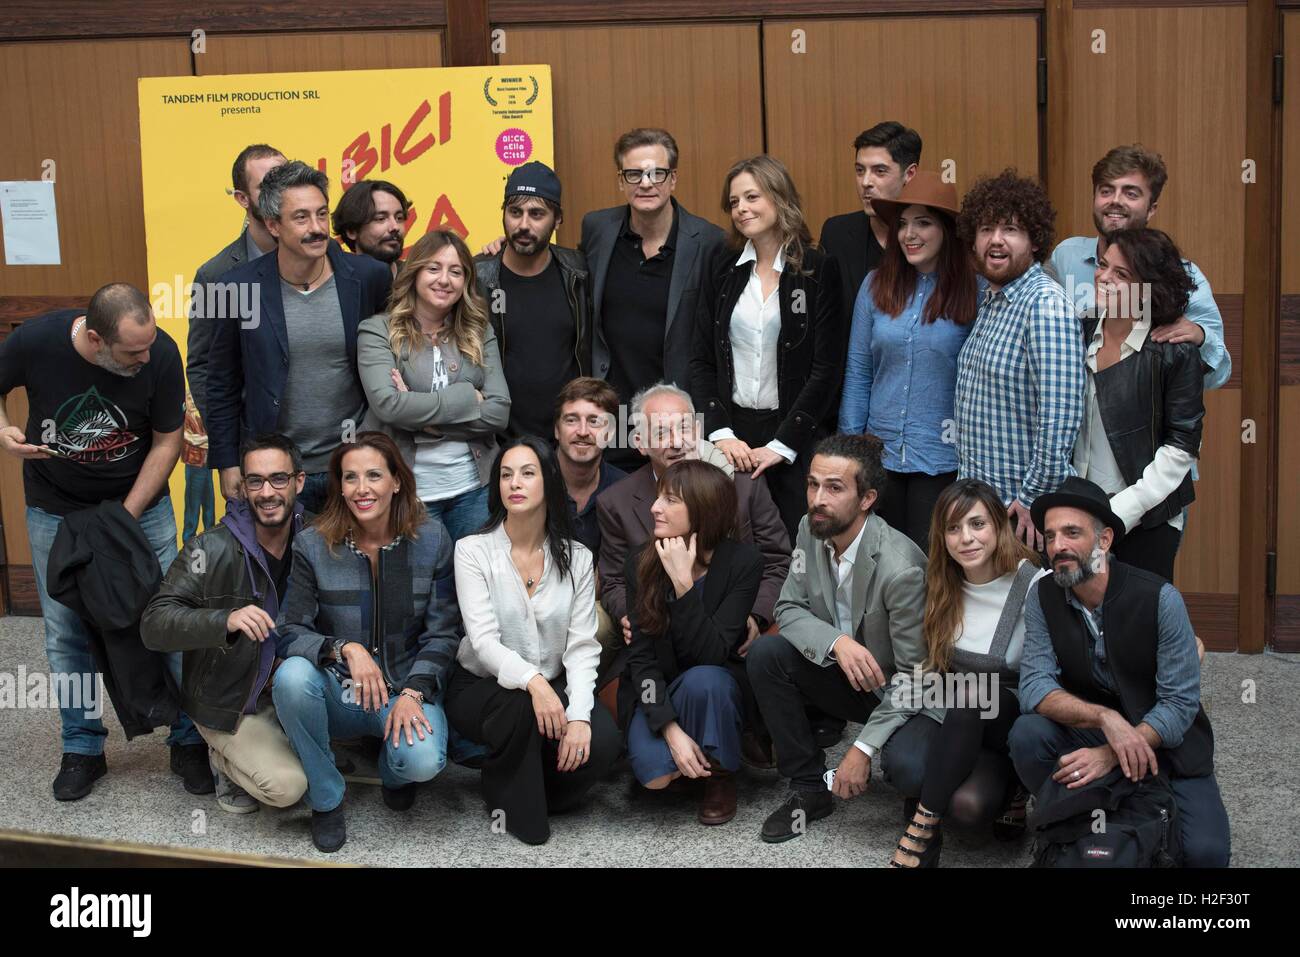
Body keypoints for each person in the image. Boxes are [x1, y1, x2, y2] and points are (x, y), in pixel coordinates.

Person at [0, 283, 209, 800]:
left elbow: (167, 441)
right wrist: (2, 428)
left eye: (149, 345)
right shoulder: (36, 341)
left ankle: (188, 739)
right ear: (95, 339)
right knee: (66, 632)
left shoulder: (159, 350)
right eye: (132, 352)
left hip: (141, 507)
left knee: (167, 617)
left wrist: (123, 518)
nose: (146, 356)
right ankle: (82, 747)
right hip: (56, 510)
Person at [1012, 477, 1230, 867]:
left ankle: (1119, 798)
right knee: (1028, 735)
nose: (1058, 545)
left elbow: (1180, 704)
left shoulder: (1160, 598)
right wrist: (1104, 719)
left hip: (1169, 748)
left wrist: (1111, 754)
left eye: (1072, 533)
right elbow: (1033, 686)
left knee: (1206, 856)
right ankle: (1078, 817)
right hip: (1096, 729)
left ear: (1105, 541)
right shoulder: (1044, 596)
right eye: (1050, 535)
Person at [747, 433, 940, 843]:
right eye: (813, 484)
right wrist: (839, 642)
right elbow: (788, 608)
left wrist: (862, 749)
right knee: (768, 654)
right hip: (850, 674)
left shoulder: (900, 569)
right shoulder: (809, 529)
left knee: (907, 768)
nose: (818, 498)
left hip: (903, 691)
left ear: (867, 498)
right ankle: (808, 788)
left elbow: (917, 678)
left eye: (834, 488)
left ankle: (917, 786)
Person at [272, 432, 460, 853]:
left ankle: (392, 770)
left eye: (374, 475)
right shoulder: (313, 545)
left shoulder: (432, 540)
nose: (362, 489)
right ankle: (326, 798)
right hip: (338, 692)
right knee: (290, 677)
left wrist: (414, 691)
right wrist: (345, 649)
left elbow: (444, 631)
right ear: (339, 485)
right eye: (350, 477)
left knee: (422, 761)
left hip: (403, 689)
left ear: (397, 481)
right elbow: (289, 631)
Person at [446, 436, 620, 845]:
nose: (514, 483)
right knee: (523, 707)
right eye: (505, 474)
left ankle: (525, 782)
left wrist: (577, 715)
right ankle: (516, 807)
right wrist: (536, 683)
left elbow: (581, 647)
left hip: (549, 685)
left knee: (604, 738)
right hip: (480, 686)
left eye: (527, 473)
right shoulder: (472, 551)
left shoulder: (577, 556)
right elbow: (484, 642)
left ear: (549, 483)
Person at [206, 160, 393, 513]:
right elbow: (221, 382)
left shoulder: (370, 277)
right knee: (278, 567)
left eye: (322, 214)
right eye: (302, 217)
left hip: (352, 467)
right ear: (273, 224)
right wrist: (228, 462)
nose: (317, 228)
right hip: (276, 471)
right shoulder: (234, 287)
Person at [141, 433, 310, 814]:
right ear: (242, 487)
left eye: (278, 479)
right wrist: (225, 619)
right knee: (289, 788)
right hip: (233, 699)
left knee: (329, 780)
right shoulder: (210, 548)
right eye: (255, 481)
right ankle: (221, 759)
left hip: (292, 685)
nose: (267, 492)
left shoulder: (316, 538)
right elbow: (154, 623)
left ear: (299, 481)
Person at [886, 479, 1047, 867]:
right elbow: (923, 669)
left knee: (970, 809)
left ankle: (925, 825)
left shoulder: (1033, 585)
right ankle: (937, 793)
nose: (966, 539)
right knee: (900, 766)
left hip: (1008, 712)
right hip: (951, 705)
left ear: (998, 525)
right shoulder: (941, 580)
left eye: (977, 524)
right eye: (953, 528)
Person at [690, 154, 845, 541]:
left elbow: (827, 369)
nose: (741, 209)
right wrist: (720, 432)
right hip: (732, 437)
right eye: (734, 202)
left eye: (752, 197)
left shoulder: (816, 267)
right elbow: (701, 358)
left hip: (795, 436)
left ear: (779, 198)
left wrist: (783, 444)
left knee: (800, 547)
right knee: (733, 542)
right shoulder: (721, 265)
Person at [597, 383, 790, 683]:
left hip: (731, 638)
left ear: (699, 429)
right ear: (639, 442)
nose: (677, 442)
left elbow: (777, 560)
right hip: (659, 641)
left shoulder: (744, 483)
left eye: (685, 428)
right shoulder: (617, 502)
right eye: (661, 433)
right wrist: (629, 615)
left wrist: (753, 614)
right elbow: (612, 579)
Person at [838, 171, 978, 550]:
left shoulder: (976, 291)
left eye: (923, 223)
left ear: (948, 230)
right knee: (877, 564)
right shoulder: (874, 285)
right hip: (878, 455)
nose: (909, 234)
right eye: (902, 224)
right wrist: (851, 452)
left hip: (943, 457)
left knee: (931, 567)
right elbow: (858, 371)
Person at [621, 460, 764, 825]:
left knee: (707, 678)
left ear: (703, 509)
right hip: (661, 688)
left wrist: (684, 587)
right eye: (658, 498)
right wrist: (669, 729)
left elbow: (712, 654)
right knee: (655, 779)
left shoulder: (742, 563)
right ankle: (690, 757)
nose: (655, 508)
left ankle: (719, 774)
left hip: (713, 686)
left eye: (670, 501)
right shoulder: (641, 560)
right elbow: (641, 660)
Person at [953, 170, 1084, 551]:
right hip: (984, 509)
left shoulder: (1044, 304)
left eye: (1010, 229)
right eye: (986, 228)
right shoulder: (994, 301)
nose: (996, 239)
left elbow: (1060, 419)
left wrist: (1033, 500)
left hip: (1021, 518)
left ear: (1034, 242)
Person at [581, 128, 727, 468]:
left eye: (656, 173)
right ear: (621, 180)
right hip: (613, 410)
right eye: (634, 174)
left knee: (679, 506)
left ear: (673, 179)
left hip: (677, 413)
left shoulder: (708, 242)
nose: (645, 183)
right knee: (620, 502)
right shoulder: (597, 229)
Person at [357, 229, 509, 543]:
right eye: (434, 268)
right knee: (411, 589)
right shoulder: (377, 331)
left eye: (456, 272)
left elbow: (498, 412)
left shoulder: (479, 332)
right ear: (414, 273)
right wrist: (468, 398)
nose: (444, 279)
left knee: (472, 590)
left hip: (472, 492)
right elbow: (387, 405)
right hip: (406, 493)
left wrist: (420, 418)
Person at [1073, 227, 1204, 582]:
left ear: (1150, 287)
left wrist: (1123, 508)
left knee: (1138, 626)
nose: (1104, 278)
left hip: (1147, 518)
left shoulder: (1174, 350)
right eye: (1102, 266)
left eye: (1122, 274)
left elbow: (1182, 445)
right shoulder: (1076, 330)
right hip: (1080, 510)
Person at [1048, 144, 1230, 390]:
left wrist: (1200, 338)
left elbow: (1219, 374)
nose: (1115, 201)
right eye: (1106, 191)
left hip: (1139, 423)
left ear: (1151, 208)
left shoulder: (1182, 273)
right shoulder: (1066, 256)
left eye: (1131, 193)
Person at [185, 144, 285, 547]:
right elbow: (204, 368)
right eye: (267, 186)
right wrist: (230, 452)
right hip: (255, 451)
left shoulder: (328, 260)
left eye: (286, 179)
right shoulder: (217, 275)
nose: (282, 193)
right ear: (242, 199)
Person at [473, 161, 592, 440]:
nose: (523, 225)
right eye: (515, 212)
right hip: (498, 439)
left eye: (536, 214)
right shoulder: (477, 277)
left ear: (558, 219)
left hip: (568, 438)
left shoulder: (579, 273)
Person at [553, 377, 625, 557]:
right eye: (571, 420)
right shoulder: (530, 482)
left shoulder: (624, 491)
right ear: (556, 430)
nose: (583, 431)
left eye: (594, 421)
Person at [331, 179, 411, 278]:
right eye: (381, 219)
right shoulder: (337, 284)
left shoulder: (416, 280)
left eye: (399, 218)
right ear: (351, 231)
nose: (395, 227)